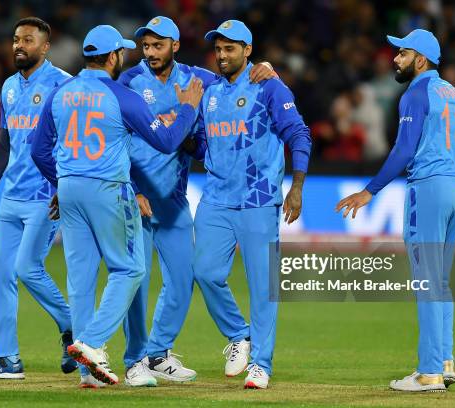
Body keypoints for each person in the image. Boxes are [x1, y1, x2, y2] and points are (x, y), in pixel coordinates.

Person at [30, 24, 204, 388]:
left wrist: (60, 182)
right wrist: (188, 109)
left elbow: (38, 149)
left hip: (71, 189)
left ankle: (87, 374)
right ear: (112, 57)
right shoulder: (120, 95)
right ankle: (91, 344)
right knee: (129, 270)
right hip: (108, 189)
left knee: (80, 280)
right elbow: (168, 140)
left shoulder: (61, 92)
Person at [118, 16, 276, 385]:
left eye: (158, 46)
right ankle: (134, 358)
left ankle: (158, 353)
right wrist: (132, 188)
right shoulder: (129, 82)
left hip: (172, 201)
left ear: (175, 45)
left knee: (184, 277)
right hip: (136, 199)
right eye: (146, 46)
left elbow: (235, 81)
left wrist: (267, 69)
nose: (151, 52)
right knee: (136, 283)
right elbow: (114, 139)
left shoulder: (199, 81)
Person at [336, 29, 455, 392]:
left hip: (428, 191)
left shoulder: (416, 93)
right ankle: (445, 361)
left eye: (403, 53)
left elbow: (403, 150)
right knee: (441, 281)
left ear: (421, 59)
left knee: (427, 282)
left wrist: (370, 191)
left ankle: (429, 372)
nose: (395, 59)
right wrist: (447, 167)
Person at [190, 20, 312, 389]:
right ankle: (239, 334)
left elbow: (299, 132)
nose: (222, 55)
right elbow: (200, 139)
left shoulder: (268, 85)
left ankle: (261, 363)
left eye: (231, 48)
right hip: (215, 199)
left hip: (258, 200)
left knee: (263, 286)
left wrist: (297, 186)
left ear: (248, 50)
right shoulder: (209, 89)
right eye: (218, 49)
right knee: (205, 273)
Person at [0, 17, 76, 380]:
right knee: (1, 277)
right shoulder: (10, 87)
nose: (18, 46)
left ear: (46, 47)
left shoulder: (64, 86)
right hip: (11, 197)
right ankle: (8, 360)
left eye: (27, 40)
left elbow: (75, 143)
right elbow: (4, 142)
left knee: (28, 268)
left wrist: (65, 186)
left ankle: (75, 328)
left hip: (47, 197)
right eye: (15, 39)